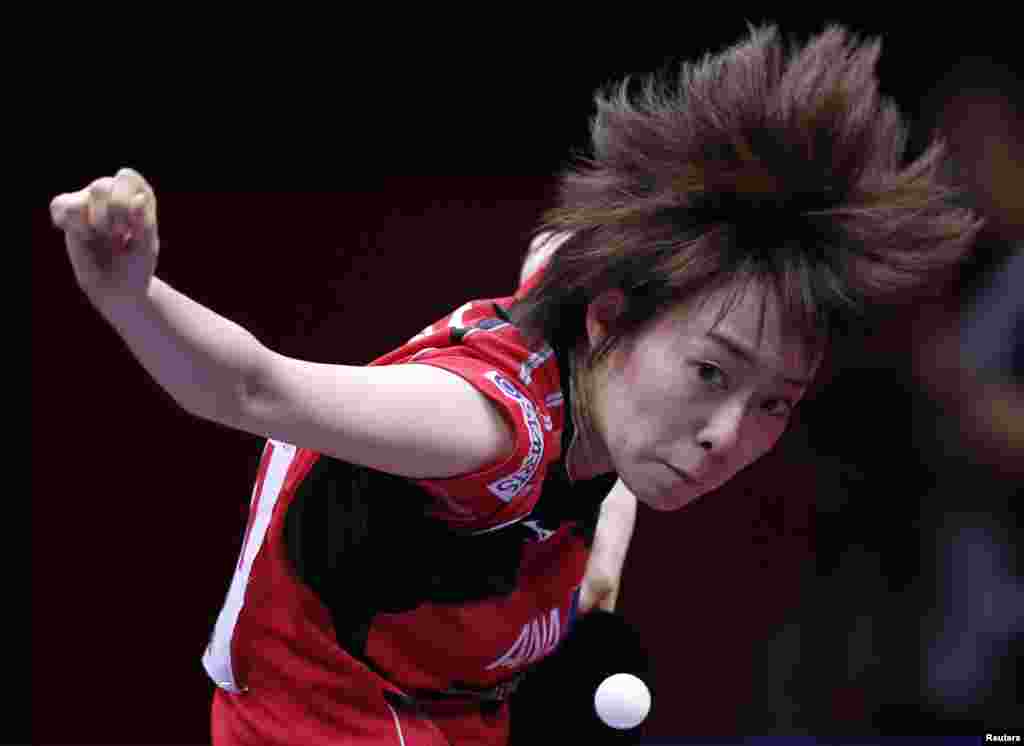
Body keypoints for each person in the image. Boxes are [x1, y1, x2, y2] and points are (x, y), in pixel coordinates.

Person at [49, 23, 984, 745]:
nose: (725, 435)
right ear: (610, 317)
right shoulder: (477, 425)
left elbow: (563, 253)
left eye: (774, 403)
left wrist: (602, 558)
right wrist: (129, 293)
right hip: (329, 718)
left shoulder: (595, 309)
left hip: (447, 688)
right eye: (711, 374)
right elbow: (253, 390)